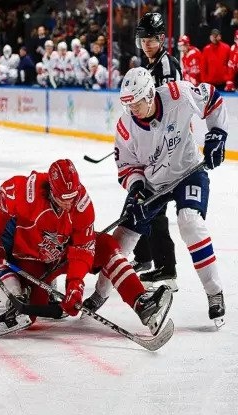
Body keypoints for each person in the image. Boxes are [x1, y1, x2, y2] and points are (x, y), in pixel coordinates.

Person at [0, 159, 173, 338]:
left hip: (64, 254)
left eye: (72, 197)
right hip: (32, 260)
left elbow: (83, 248)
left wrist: (75, 285)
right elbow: (0, 204)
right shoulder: (26, 191)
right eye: (62, 199)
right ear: (51, 190)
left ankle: (142, 302)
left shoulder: (82, 204)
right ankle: (17, 303)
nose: (68, 204)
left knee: (107, 245)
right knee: (30, 313)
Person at [87, 67, 228, 327]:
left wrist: (217, 134)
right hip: (152, 183)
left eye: (136, 103)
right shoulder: (126, 126)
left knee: (190, 222)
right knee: (122, 237)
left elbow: (212, 98)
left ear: (150, 94)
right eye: (128, 104)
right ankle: (100, 293)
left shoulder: (179, 94)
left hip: (188, 172)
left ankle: (214, 292)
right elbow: (126, 166)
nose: (132, 109)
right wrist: (136, 189)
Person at [125, 12, 182, 292]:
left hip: (169, 148)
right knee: (143, 202)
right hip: (157, 146)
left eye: (151, 39)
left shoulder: (167, 66)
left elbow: (169, 109)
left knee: (154, 206)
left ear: (161, 39)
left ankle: (166, 268)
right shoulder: (152, 65)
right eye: (143, 40)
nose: (146, 44)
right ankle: (144, 257)